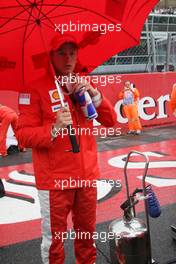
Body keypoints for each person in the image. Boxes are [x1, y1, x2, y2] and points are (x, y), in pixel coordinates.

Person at [16, 35, 117, 264]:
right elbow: (22, 135)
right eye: (61, 53)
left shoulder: (85, 82)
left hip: (87, 178)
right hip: (55, 182)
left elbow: (111, 121)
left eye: (72, 53)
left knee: (86, 236)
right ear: (50, 56)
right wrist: (54, 128)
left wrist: (95, 95)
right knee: (54, 241)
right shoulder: (34, 89)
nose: (68, 58)